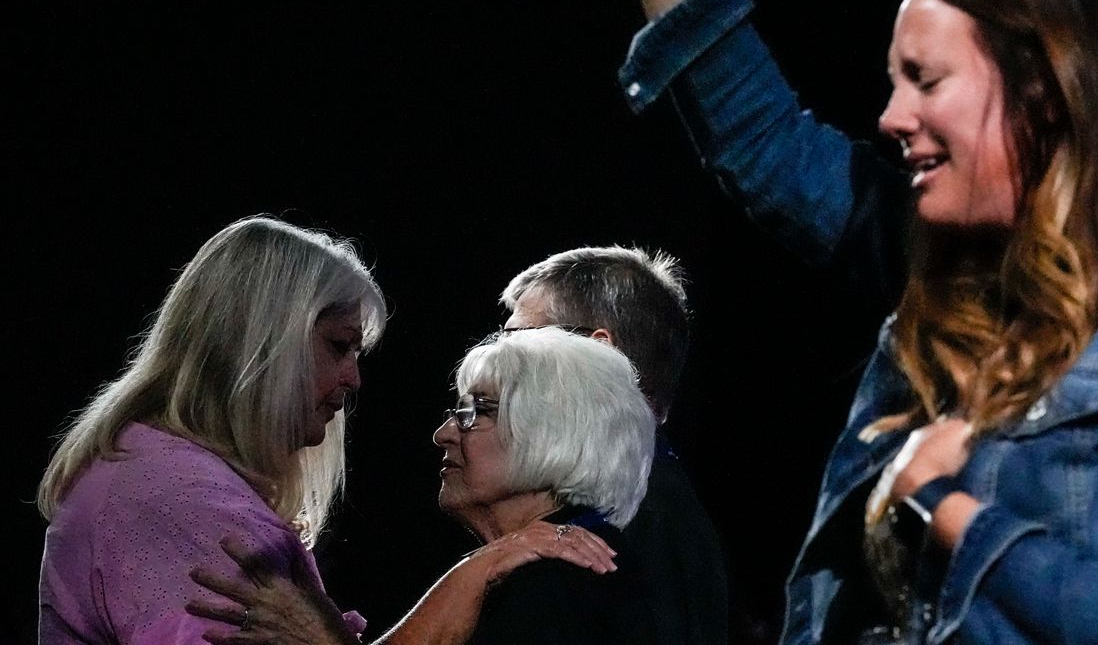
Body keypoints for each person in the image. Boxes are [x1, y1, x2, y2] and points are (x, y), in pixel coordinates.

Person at [612, 0, 1098, 643]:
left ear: (1048, 90)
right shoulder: (952, 270)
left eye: (925, 81)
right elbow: (761, 136)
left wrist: (946, 507)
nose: (892, 117)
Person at [38, 216, 612, 645]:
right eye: (338, 346)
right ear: (256, 344)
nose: (354, 379)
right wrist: (483, 568)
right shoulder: (179, 502)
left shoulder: (158, 475)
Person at [191, 327, 661, 644]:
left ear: (555, 432)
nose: (444, 433)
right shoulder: (542, 566)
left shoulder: (556, 586)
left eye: (478, 411)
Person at [501, 245, 729, 645]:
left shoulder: (623, 517)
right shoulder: (656, 502)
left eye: (517, 343)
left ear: (598, 351)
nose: (495, 365)